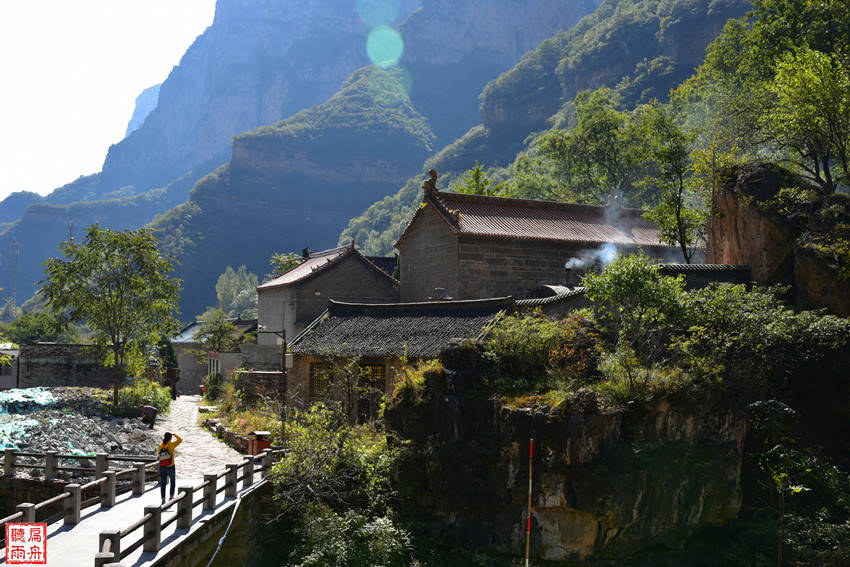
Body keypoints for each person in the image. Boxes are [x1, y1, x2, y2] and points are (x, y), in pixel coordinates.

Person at [157, 431, 182, 503]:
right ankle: (171, 496)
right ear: (170, 438)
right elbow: (180, 440)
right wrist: (175, 435)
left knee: (163, 483)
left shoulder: (160, 445)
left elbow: (159, 454)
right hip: (170, 465)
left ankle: (163, 498)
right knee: (173, 481)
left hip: (162, 466)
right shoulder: (171, 444)